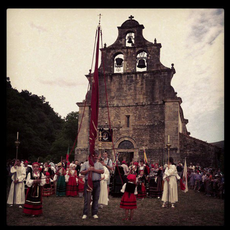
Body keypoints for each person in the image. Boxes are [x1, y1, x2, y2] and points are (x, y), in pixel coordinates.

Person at [80, 151, 104, 219]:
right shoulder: (85, 163)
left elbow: (102, 171)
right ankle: (85, 213)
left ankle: (94, 213)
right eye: (95, 156)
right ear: (91, 156)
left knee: (96, 198)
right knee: (87, 199)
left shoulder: (99, 164)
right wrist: (88, 170)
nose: (96, 157)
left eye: (97, 156)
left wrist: (94, 170)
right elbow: (82, 172)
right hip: (88, 182)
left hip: (97, 183)